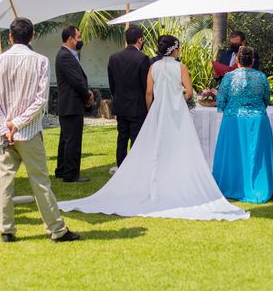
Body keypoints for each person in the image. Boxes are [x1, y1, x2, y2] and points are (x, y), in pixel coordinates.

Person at [59, 35, 249, 221]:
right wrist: (178, 100)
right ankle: (177, 180)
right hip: (177, 113)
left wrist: (153, 109)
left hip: (158, 111)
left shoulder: (153, 67)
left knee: (155, 146)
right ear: (173, 49)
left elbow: (149, 92)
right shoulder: (180, 67)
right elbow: (189, 92)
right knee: (181, 146)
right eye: (178, 47)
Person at [0, 18, 79, 243]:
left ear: (10, 37)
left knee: (5, 181)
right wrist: (15, 125)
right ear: (32, 36)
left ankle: (6, 228)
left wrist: (4, 126)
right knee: (39, 181)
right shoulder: (40, 61)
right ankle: (56, 229)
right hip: (26, 131)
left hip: (8, 130)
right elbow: (41, 101)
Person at [212, 47, 273, 203]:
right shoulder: (261, 77)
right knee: (256, 153)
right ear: (252, 60)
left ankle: (231, 185)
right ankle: (258, 185)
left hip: (233, 120)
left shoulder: (228, 77)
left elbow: (220, 101)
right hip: (257, 118)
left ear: (237, 60)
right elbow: (266, 98)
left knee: (234, 153)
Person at [107, 25, 151, 168]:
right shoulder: (143, 58)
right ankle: (133, 168)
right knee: (136, 139)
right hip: (137, 106)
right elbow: (146, 86)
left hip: (120, 104)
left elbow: (111, 83)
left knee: (122, 138)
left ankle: (121, 166)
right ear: (140, 40)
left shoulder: (114, 58)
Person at [54, 26, 93, 183]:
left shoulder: (68, 54)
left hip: (69, 104)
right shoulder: (65, 56)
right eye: (78, 37)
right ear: (70, 39)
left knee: (66, 139)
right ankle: (71, 174)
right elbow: (76, 80)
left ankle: (62, 170)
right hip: (71, 104)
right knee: (73, 141)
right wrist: (87, 94)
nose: (80, 40)